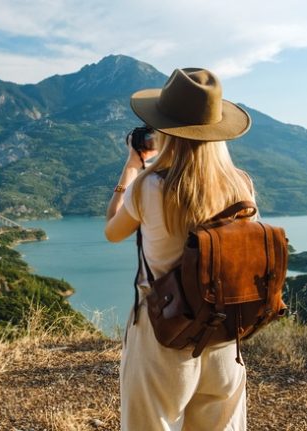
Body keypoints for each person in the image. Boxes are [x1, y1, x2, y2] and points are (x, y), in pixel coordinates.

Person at [104, 68, 255, 431]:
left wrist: (131, 168)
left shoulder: (149, 186)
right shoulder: (242, 187)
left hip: (163, 336)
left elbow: (113, 231)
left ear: (165, 131)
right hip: (222, 337)